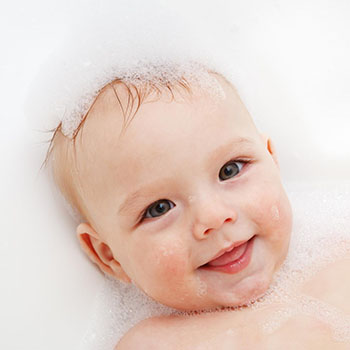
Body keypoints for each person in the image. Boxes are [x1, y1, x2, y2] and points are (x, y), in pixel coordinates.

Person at [46, 67, 350, 349]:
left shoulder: (340, 258)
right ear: (109, 256)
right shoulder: (154, 344)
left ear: (273, 160)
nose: (214, 217)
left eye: (230, 170)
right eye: (159, 208)